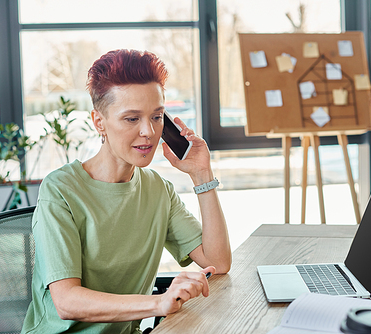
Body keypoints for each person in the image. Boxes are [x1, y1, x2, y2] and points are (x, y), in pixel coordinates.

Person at [21, 49, 231, 334]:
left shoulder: (158, 190)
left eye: (157, 117)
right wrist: (158, 303)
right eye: (132, 119)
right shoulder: (61, 189)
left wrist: (201, 174)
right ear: (99, 122)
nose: (148, 131)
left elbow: (217, 262)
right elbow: (67, 301)